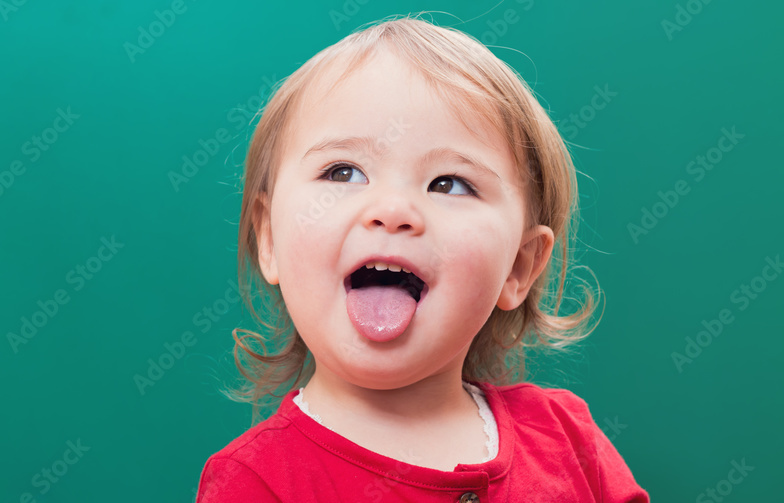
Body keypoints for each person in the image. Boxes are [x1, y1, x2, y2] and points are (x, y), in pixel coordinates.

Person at [196, 14, 649, 502]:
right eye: (343, 172)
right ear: (268, 238)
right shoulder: (254, 481)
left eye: (449, 184)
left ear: (518, 267)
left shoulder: (567, 437)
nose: (392, 212)